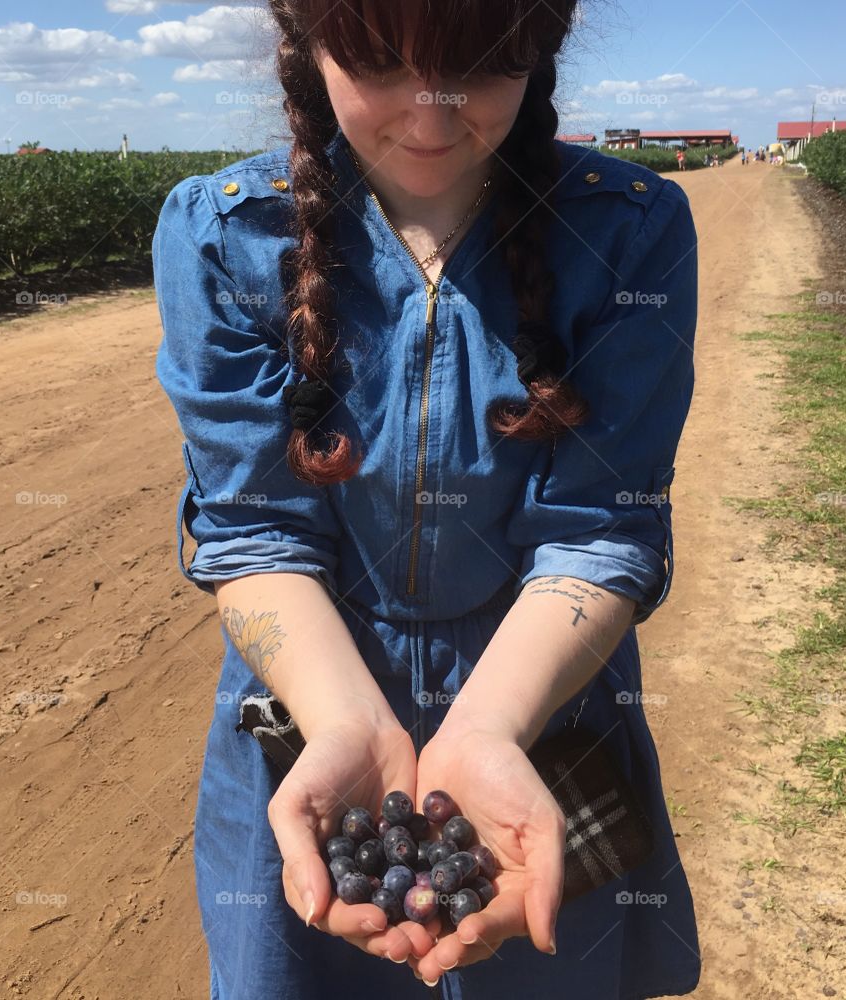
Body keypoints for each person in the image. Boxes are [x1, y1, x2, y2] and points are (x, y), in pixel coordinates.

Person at [153, 2, 701, 998]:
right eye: (375, 61)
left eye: (481, 64)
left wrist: (487, 728)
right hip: (306, 745)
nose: (432, 116)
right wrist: (346, 725)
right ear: (304, 43)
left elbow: (601, 529)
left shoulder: (632, 232)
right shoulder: (224, 238)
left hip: (547, 745)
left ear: (542, 45)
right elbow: (253, 532)